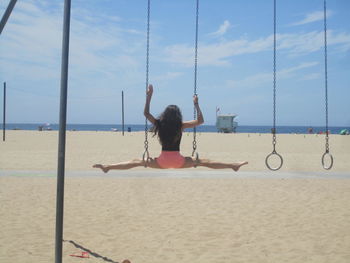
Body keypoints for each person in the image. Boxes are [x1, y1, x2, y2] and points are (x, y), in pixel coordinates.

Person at [93, 84, 248, 172]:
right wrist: (196, 104)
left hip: (161, 162)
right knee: (204, 161)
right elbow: (200, 120)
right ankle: (232, 165)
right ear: (178, 116)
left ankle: (108, 167)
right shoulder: (180, 125)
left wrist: (149, 96)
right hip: (179, 161)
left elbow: (146, 113)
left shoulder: (159, 124)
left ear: (165, 115)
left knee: (136, 161)